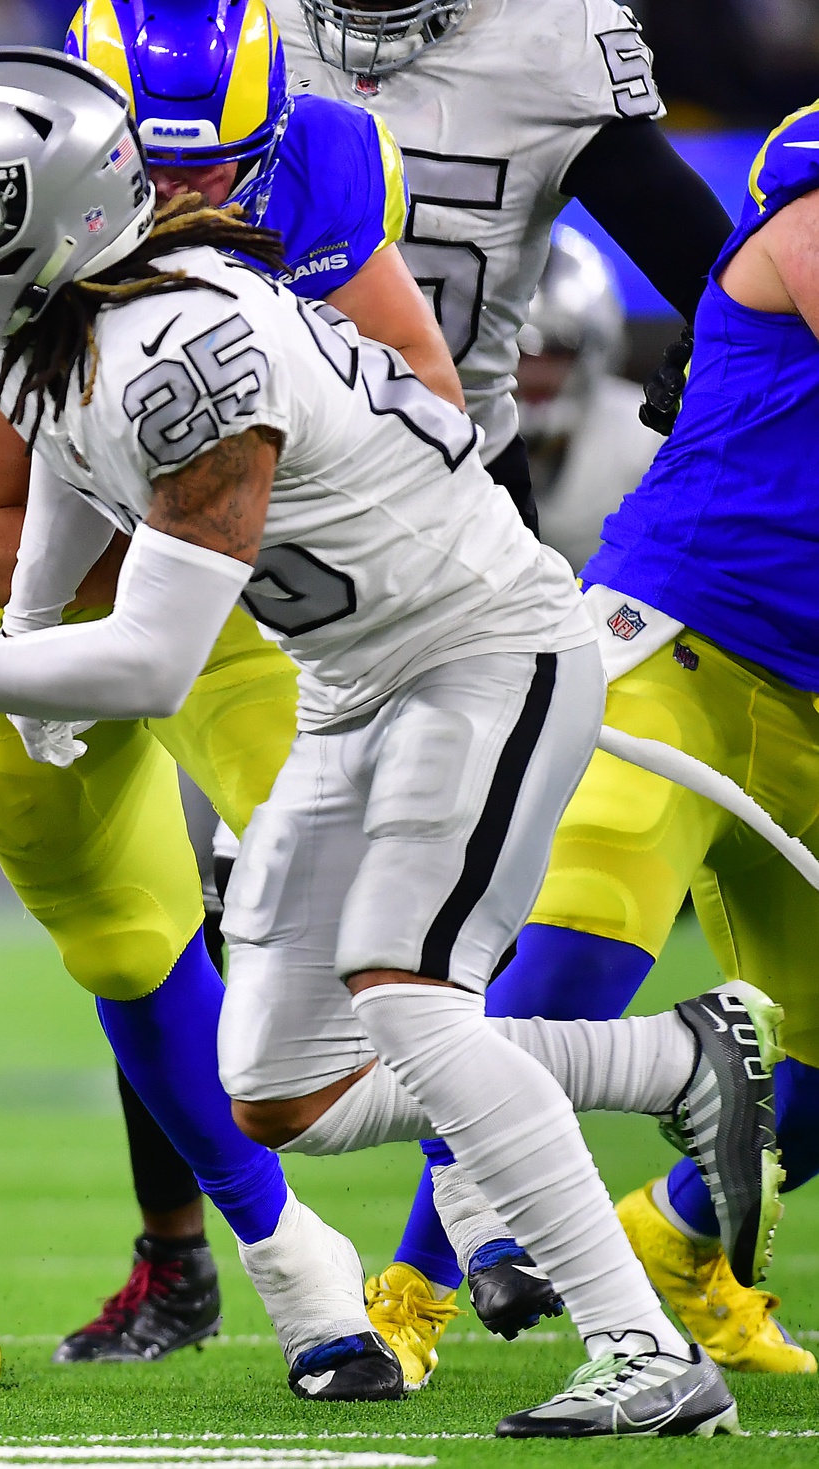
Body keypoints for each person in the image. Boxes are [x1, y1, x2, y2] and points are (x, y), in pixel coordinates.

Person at [0, 45, 779, 1434]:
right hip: (353, 682)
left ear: (42, 221)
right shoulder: (63, 319)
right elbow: (82, 473)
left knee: (406, 992)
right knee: (281, 1090)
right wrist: (23, 650)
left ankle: (643, 1351)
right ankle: (682, 1064)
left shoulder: (183, 349)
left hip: (479, 655)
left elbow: (151, 663)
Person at [0, 0, 450, 1385]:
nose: (200, 205)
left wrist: (246, 531)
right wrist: (182, 550)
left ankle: (468, 1246)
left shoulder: (320, 166)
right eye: (168, 171)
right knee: (127, 935)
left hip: (244, 581)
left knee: (374, 904)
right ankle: (279, 1261)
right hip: (52, 595)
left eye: (231, 173)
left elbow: (427, 394)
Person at [271, 0, 742, 1385]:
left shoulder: (553, 41)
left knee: (409, 963)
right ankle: (667, 1068)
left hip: (458, 528)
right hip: (253, 528)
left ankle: (547, 1287)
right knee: (275, 1063)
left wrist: (704, 371)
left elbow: (716, 272)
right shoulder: (203, 39)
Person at [386, 96, 819, 1382]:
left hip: (805, 699)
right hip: (674, 647)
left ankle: (688, 1239)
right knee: (572, 961)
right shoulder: (805, 202)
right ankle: (410, 1287)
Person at [271, 0, 730, 522]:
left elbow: (727, 288)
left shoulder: (552, 39)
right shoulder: (223, 26)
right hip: (245, 446)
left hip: (462, 476)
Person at [517, 229, 655, 568]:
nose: (537, 373)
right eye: (517, 349)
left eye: (559, 350)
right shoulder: (438, 428)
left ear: (594, 353)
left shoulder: (646, 439)